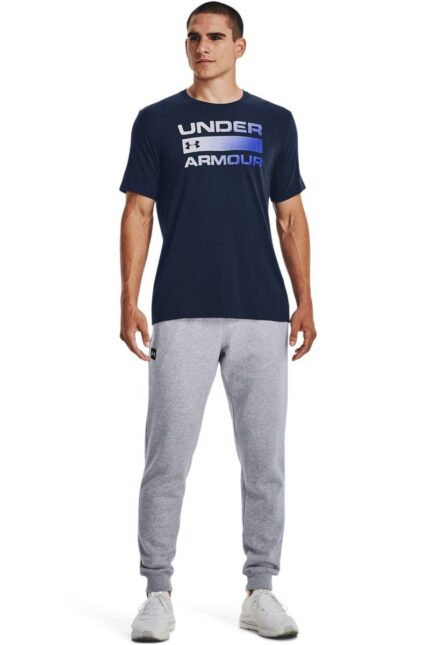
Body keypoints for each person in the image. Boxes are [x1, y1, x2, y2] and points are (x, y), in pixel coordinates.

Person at [119, 2, 317, 641]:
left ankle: (261, 589)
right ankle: (157, 591)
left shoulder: (275, 121)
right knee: (166, 458)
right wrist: (128, 298)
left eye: (214, 37)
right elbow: (138, 212)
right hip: (181, 310)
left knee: (264, 462)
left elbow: (290, 215)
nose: (202, 47)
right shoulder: (157, 121)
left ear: (239, 46)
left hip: (262, 312)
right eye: (193, 38)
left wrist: (305, 298)